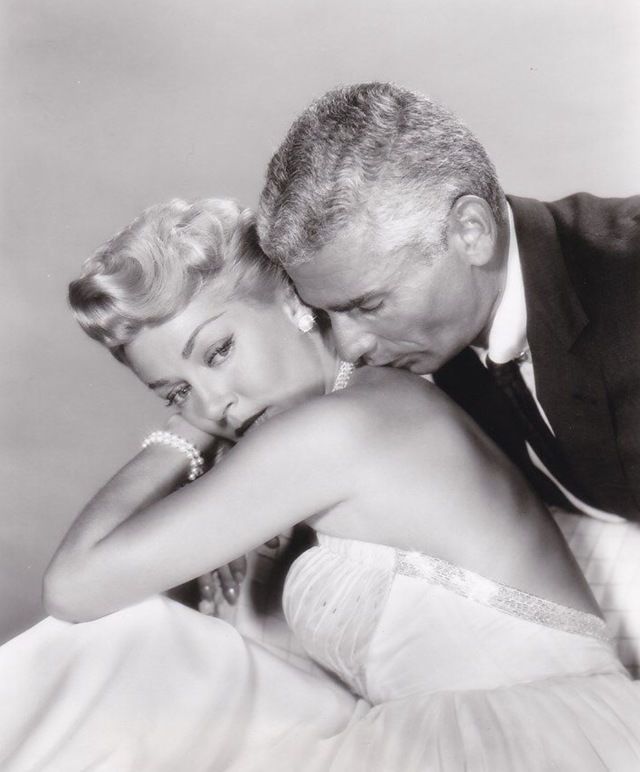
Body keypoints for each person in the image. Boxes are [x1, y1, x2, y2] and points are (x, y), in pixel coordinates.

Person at [2, 197, 639, 771]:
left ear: (288, 300)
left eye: (218, 352)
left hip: (531, 744)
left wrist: (183, 432)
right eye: (177, 391)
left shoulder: (343, 427)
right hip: (467, 734)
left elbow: (72, 588)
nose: (215, 403)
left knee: (104, 659)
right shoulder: (362, 405)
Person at [257, 81, 640, 522]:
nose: (348, 347)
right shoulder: (444, 344)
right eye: (325, 314)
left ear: (470, 232)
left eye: (369, 305)